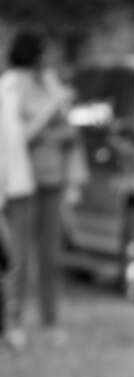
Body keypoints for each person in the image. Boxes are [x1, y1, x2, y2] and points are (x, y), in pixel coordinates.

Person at [0, 28, 76, 351]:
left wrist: (55, 110)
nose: (49, 57)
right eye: (43, 51)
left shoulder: (48, 82)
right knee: (18, 256)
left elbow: (67, 129)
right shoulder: (11, 86)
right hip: (20, 183)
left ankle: (50, 321)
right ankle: (12, 322)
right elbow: (19, 137)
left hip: (49, 178)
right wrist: (52, 110)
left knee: (49, 255)